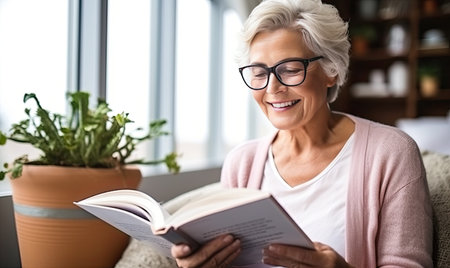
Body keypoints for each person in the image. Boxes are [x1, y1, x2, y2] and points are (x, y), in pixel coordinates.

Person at [172, 0, 433, 267]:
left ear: (331, 70)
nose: (273, 88)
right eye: (259, 72)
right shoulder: (242, 163)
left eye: (290, 69)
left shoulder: (391, 152)